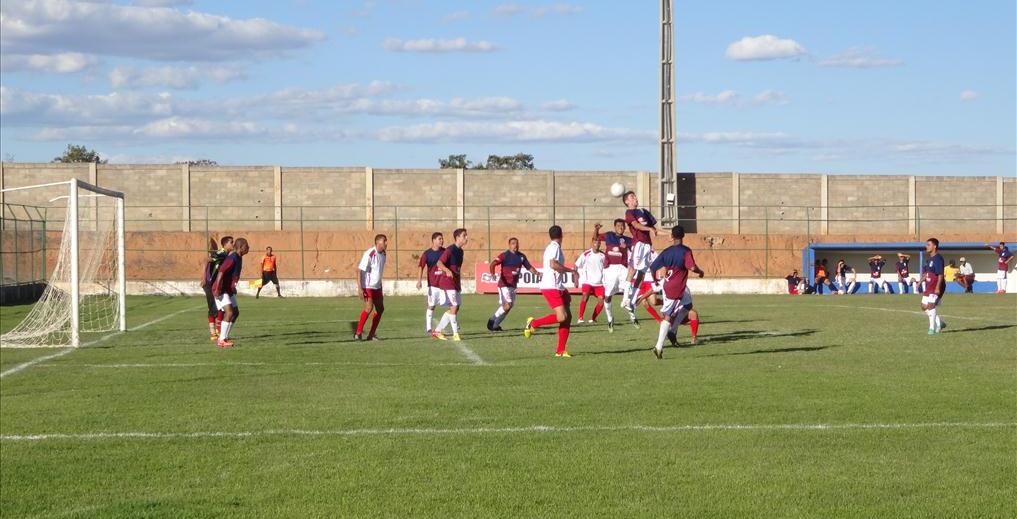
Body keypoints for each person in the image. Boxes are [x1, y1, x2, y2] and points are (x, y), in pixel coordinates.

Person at [648, 226, 704, 359]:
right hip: (676, 288)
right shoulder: (686, 251)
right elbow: (692, 267)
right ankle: (658, 347)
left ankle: (672, 331)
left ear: (672, 236)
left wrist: (655, 280)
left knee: (688, 304)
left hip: (672, 286)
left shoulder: (666, 252)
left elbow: (653, 267)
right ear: (683, 235)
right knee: (667, 316)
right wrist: (700, 272)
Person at [524, 225, 579, 358]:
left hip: (558, 286)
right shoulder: (554, 247)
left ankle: (560, 351)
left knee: (567, 317)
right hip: (551, 286)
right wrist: (572, 271)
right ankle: (533, 323)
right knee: (562, 317)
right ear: (562, 235)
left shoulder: (553, 247)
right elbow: (553, 265)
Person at [487, 237, 537, 332]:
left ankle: (495, 326)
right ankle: (492, 320)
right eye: (513, 243)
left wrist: (538, 273)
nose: (516, 245)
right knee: (508, 305)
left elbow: (529, 267)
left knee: (508, 308)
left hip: (513, 286)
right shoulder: (504, 255)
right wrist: (492, 273)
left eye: (517, 243)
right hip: (504, 284)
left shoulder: (521, 256)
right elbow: (492, 264)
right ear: (509, 245)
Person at [621, 191, 659, 312]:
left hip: (648, 245)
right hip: (639, 244)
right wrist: (649, 229)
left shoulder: (644, 211)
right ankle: (625, 299)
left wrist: (670, 233)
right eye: (632, 197)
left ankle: (632, 302)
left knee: (641, 275)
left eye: (635, 196)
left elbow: (655, 229)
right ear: (627, 201)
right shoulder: (629, 212)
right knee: (632, 270)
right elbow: (636, 225)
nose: (636, 198)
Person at [593, 220, 632, 333]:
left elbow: (634, 250)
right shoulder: (609, 235)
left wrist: (627, 246)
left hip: (622, 268)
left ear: (625, 228)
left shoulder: (628, 240)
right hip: (610, 269)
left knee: (628, 291)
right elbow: (596, 238)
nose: (620, 227)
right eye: (618, 225)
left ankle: (632, 315)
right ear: (615, 227)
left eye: (622, 226)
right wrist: (596, 229)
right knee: (608, 296)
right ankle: (610, 319)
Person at [211, 237, 249, 348]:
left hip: (228, 289)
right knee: (229, 312)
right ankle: (221, 340)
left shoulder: (239, 257)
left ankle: (225, 337)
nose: (248, 248)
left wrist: (233, 286)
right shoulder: (232, 257)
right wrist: (217, 288)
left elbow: (232, 275)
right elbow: (221, 272)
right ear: (241, 247)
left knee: (235, 313)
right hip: (221, 289)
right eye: (246, 246)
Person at [432, 228, 468, 341]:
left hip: (455, 282)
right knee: (454, 306)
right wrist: (447, 270)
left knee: (456, 308)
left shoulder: (461, 251)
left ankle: (437, 331)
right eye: (464, 235)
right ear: (457, 238)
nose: (466, 238)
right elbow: (439, 263)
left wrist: (458, 282)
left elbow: (457, 269)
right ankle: (455, 334)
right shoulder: (450, 250)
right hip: (448, 282)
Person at [354, 234, 387, 341]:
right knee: (369, 307)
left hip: (377, 286)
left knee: (380, 309)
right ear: (378, 242)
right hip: (367, 286)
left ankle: (371, 335)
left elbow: (378, 272)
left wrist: (380, 286)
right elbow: (359, 270)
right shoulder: (370, 253)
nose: (386, 243)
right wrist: (360, 288)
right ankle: (358, 333)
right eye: (384, 241)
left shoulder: (384, 254)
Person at [200, 236, 229, 341]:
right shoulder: (218, 254)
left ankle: (217, 331)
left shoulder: (221, 255)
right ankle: (214, 333)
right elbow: (205, 261)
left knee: (221, 308)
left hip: (216, 284)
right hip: (209, 284)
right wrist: (203, 278)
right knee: (214, 308)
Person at [416, 232, 445, 335]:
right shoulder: (427, 254)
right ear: (433, 240)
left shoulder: (445, 252)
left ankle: (453, 323)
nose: (442, 240)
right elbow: (421, 267)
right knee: (431, 306)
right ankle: (428, 328)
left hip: (445, 285)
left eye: (442, 239)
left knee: (452, 305)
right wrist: (419, 281)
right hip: (433, 285)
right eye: (439, 239)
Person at [575, 237, 607, 324]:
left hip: (599, 283)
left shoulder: (603, 255)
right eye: (595, 242)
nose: (597, 244)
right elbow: (576, 265)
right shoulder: (586, 254)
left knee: (601, 301)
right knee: (585, 295)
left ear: (600, 244)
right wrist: (576, 278)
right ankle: (580, 318)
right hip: (587, 281)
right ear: (592, 243)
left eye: (598, 242)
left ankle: (593, 318)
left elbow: (606, 267)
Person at [920, 238, 947, 335]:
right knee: (924, 306)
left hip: (936, 286)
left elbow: (940, 274)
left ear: (934, 246)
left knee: (931, 305)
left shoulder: (938, 259)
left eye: (928, 245)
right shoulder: (929, 259)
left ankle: (932, 328)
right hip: (929, 286)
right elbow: (927, 273)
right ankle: (940, 323)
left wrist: (937, 287)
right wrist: (920, 282)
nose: (926, 246)